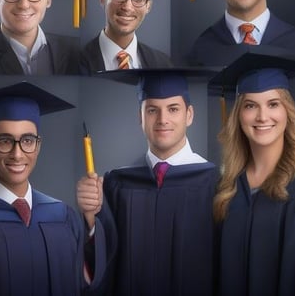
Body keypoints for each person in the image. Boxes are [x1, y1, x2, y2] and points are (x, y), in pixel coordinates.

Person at [77, 70, 217, 295]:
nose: (163, 119)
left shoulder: (215, 183)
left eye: (173, 109)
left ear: (189, 115)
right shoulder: (116, 185)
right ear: (140, 117)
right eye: (152, 110)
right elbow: (104, 265)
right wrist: (91, 219)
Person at [0, 81, 106, 295]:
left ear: (38, 145)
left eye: (27, 140)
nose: (17, 154)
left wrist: (90, 221)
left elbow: (85, 283)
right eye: (5, 141)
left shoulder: (63, 216)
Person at [212, 52, 295, 295]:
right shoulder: (226, 189)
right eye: (250, 105)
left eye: (273, 104)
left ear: (288, 112)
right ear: (238, 115)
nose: (262, 117)